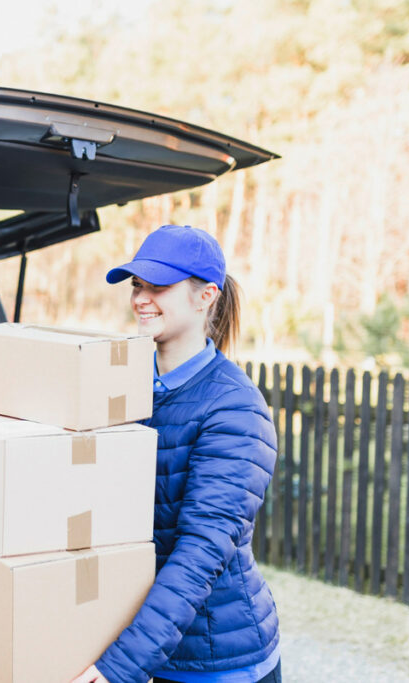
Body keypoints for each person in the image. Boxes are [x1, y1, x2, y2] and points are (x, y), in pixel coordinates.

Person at [70, 225, 280, 683]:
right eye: (137, 286)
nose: (141, 298)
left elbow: (201, 553)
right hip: (149, 643)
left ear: (206, 295)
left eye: (158, 286)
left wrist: (120, 667)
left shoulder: (236, 409)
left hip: (216, 659)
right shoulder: (123, 385)